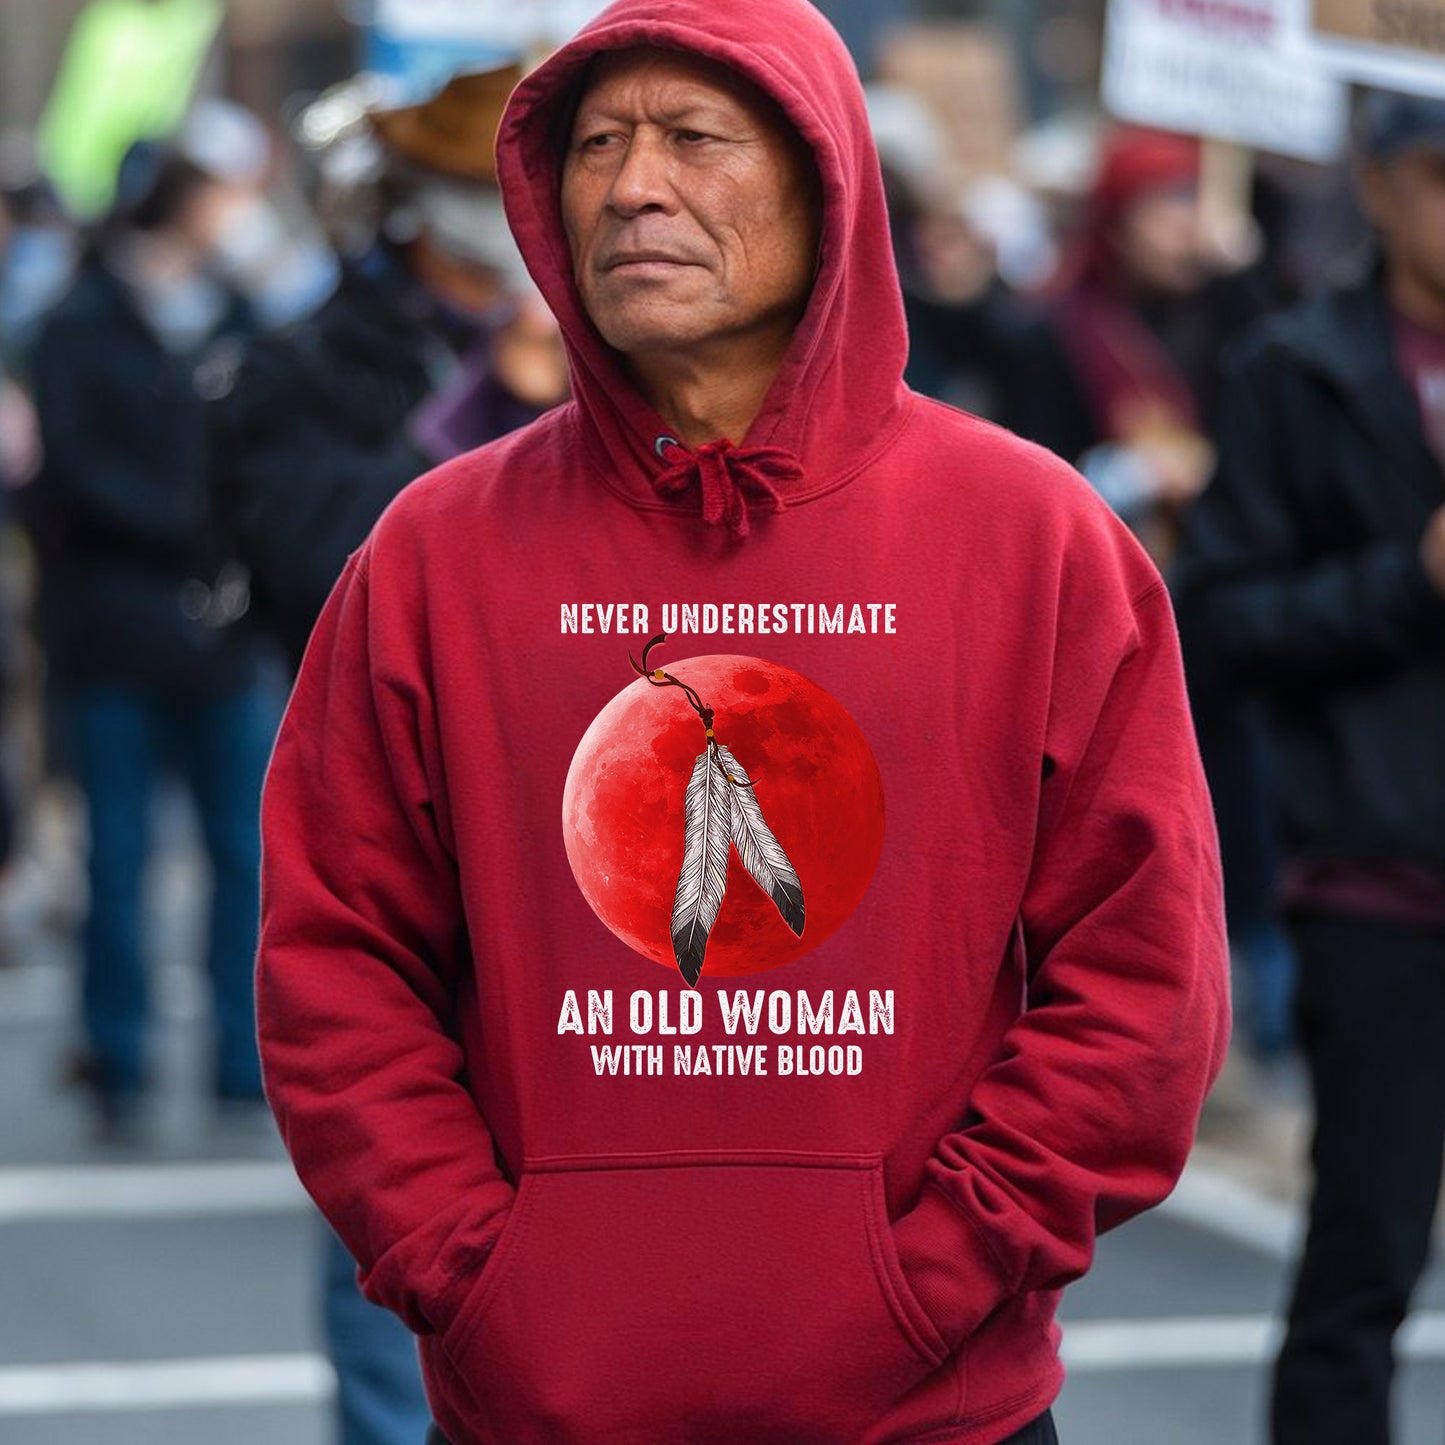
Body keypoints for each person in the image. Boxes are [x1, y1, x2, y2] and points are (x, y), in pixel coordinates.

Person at [256, 3, 1231, 1442]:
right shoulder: (432, 553)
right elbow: (337, 959)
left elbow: (1144, 977)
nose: (633, 185)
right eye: (595, 144)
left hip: (932, 1411)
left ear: (825, 179)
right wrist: (473, 1269)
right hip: (543, 1405)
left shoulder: (1031, 538)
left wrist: (939, 1268)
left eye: (694, 138)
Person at [1176, 91, 1445, 1445]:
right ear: (1380, 185)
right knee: (1364, 1258)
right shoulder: (1297, 364)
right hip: (1381, 876)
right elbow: (1222, 620)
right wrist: (1411, 580)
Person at [27, 135, 283, 1138]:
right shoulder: (77, 323)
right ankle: (119, 1060)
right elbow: (72, 473)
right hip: (114, 628)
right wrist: (197, 527)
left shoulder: (243, 312)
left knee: (241, 853)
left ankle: (238, 1058)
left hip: (226, 635)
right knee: (119, 852)